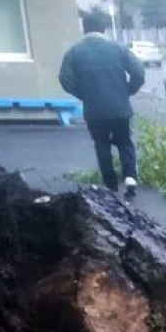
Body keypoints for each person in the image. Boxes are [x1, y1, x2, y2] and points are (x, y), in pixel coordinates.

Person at [59, 12, 145, 197]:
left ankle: (110, 184)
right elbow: (138, 72)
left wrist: (83, 95)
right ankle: (130, 176)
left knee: (101, 144)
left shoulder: (74, 52)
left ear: (85, 29)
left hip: (95, 110)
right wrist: (128, 91)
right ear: (104, 29)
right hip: (120, 108)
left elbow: (65, 80)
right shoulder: (118, 49)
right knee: (125, 142)